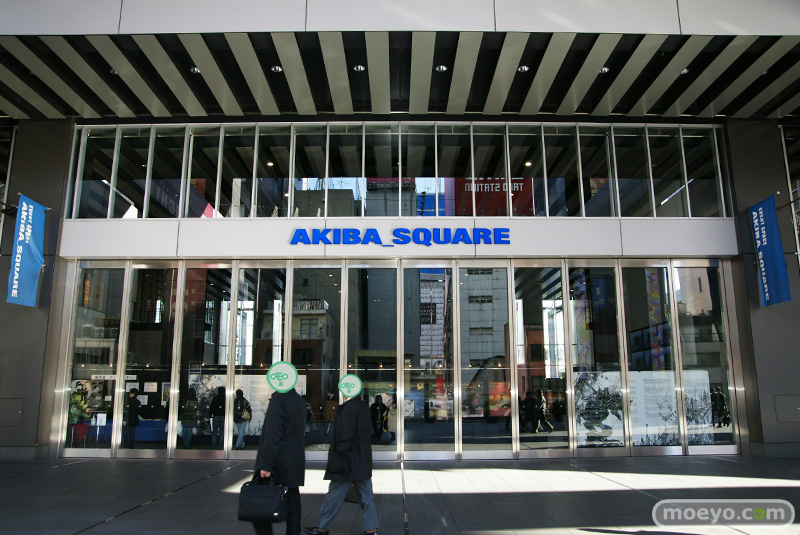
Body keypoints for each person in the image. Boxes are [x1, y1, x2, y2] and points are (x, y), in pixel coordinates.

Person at [304, 387, 379, 535]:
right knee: (367, 496)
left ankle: (322, 527)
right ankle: (372, 529)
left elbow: (345, 436)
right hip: (361, 461)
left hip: (346, 462)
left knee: (334, 495)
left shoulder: (348, 408)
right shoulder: (363, 406)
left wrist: (339, 455)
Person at [253, 385, 307, 535]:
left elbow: (273, 434)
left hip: (279, 461)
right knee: (292, 502)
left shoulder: (278, 400)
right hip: (294, 459)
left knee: (258, 502)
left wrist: (266, 465)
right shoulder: (299, 400)